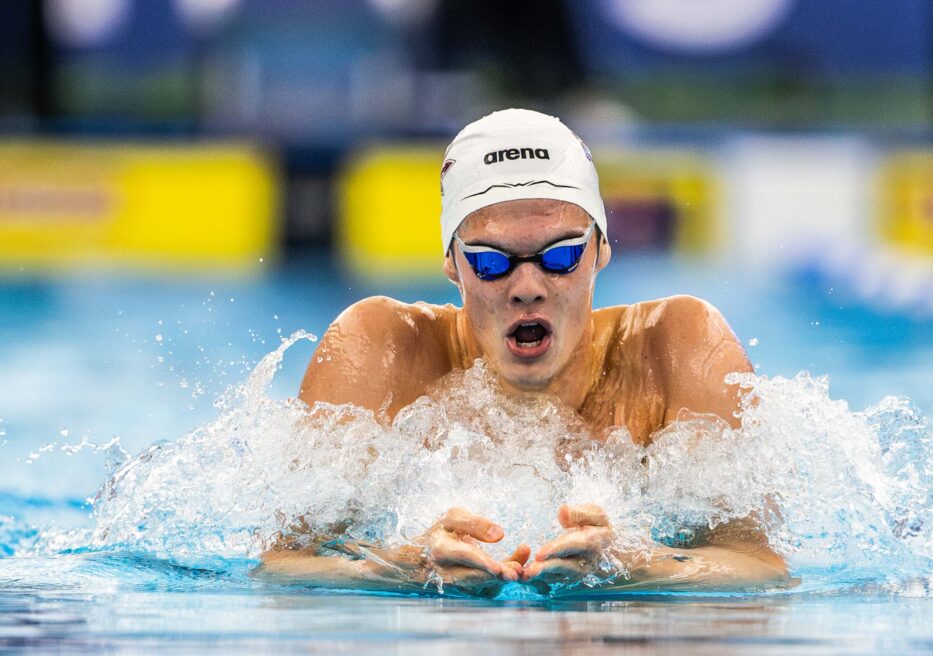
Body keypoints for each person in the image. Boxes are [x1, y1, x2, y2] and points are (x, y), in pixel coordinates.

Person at [257, 109, 788, 595]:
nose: (527, 285)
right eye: (492, 261)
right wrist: (399, 566)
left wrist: (640, 566)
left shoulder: (679, 347)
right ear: (452, 263)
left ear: (601, 248)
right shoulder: (380, 350)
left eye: (560, 255)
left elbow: (759, 568)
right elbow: (281, 568)